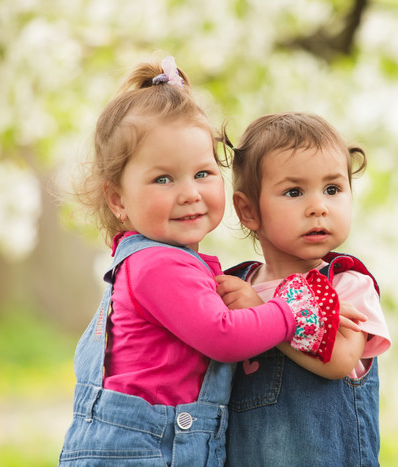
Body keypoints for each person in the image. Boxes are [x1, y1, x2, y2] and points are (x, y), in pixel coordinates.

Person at [58, 58, 345, 466]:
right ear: (118, 199)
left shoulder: (165, 261)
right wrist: (290, 312)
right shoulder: (157, 266)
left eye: (203, 173)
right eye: (163, 179)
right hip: (144, 454)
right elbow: (223, 336)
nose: (190, 193)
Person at [216, 112, 392, 466]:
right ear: (248, 210)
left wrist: (263, 318)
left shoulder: (346, 283)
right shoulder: (237, 288)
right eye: (294, 192)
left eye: (333, 189)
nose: (318, 207)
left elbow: (340, 361)